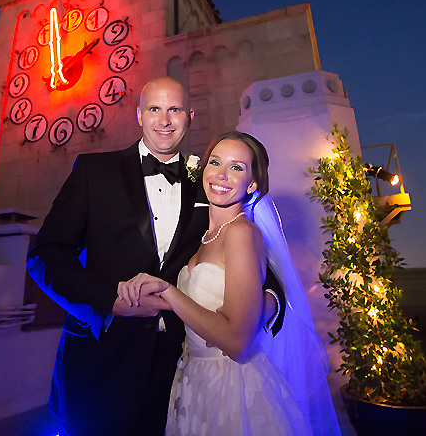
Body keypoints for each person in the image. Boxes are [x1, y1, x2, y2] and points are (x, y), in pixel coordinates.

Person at [26, 77, 285, 436]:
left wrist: (269, 301)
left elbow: (244, 253)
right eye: (154, 109)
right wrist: (108, 302)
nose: (164, 120)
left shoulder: (208, 182)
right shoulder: (93, 172)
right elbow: (45, 255)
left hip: (175, 369)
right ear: (139, 115)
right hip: (99, 360)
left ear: (190, 116)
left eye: (174, 109)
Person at [119, 131, 342, 436]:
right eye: (215, 162)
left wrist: (169, 291)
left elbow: (237, 343)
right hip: (192, 380)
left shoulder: (241, 233)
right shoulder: (202, 236)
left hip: (232, 386)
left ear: (252, 183)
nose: (221, 175)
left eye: (237, 167)